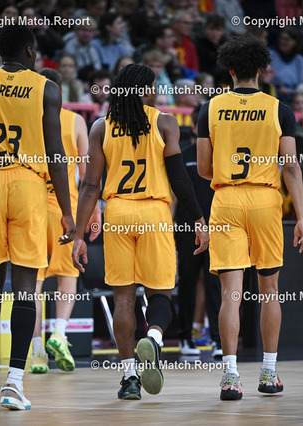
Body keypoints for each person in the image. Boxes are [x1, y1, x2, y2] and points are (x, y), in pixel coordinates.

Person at [0, 25, 75, 410]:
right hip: (28, 186)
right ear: (30, 51)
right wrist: (67, 211)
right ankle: (14, 383)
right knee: (24, 287)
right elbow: (56, 154)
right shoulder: (46, 88)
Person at [73, 64, 209, 400]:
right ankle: (155, 338)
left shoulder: (101, 126)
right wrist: (198, 218)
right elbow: (180, 178)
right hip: (153, 212)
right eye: (154, 87)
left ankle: (129, 377)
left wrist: (78, 235)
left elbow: (90, 185)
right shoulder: (165, 122)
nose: (157, 92)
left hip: (118, 212)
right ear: (146, 90)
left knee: (123, 299)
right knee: (160, 294)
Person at [196, 34, 303, 400]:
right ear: (261, 69)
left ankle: (230, 376)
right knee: (269, 290)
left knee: (230, 294)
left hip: (226, 200)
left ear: (229, 70)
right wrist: (302, 218)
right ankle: (269, 372)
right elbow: (290, 167)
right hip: (265, 200)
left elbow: (203, 168)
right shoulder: (280, 109)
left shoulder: (209, 108)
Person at [29, 68, 101, 375]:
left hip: (31, 207)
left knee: (32, 283)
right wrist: (94, 211)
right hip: (66, 209)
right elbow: (88, 174)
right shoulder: (75, 121)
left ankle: (36, 352)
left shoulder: (27, 120)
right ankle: (59, 334)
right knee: (68, 277)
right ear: (60, 92)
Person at [175, 105, 222, 358]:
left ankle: (218, 339)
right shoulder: (182, 155)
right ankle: (185, 336)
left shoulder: (223, 156)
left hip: (218, 227)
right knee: (187, 283)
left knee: (216, 284)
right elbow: (173, 195)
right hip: (187, 228)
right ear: (194, 127)